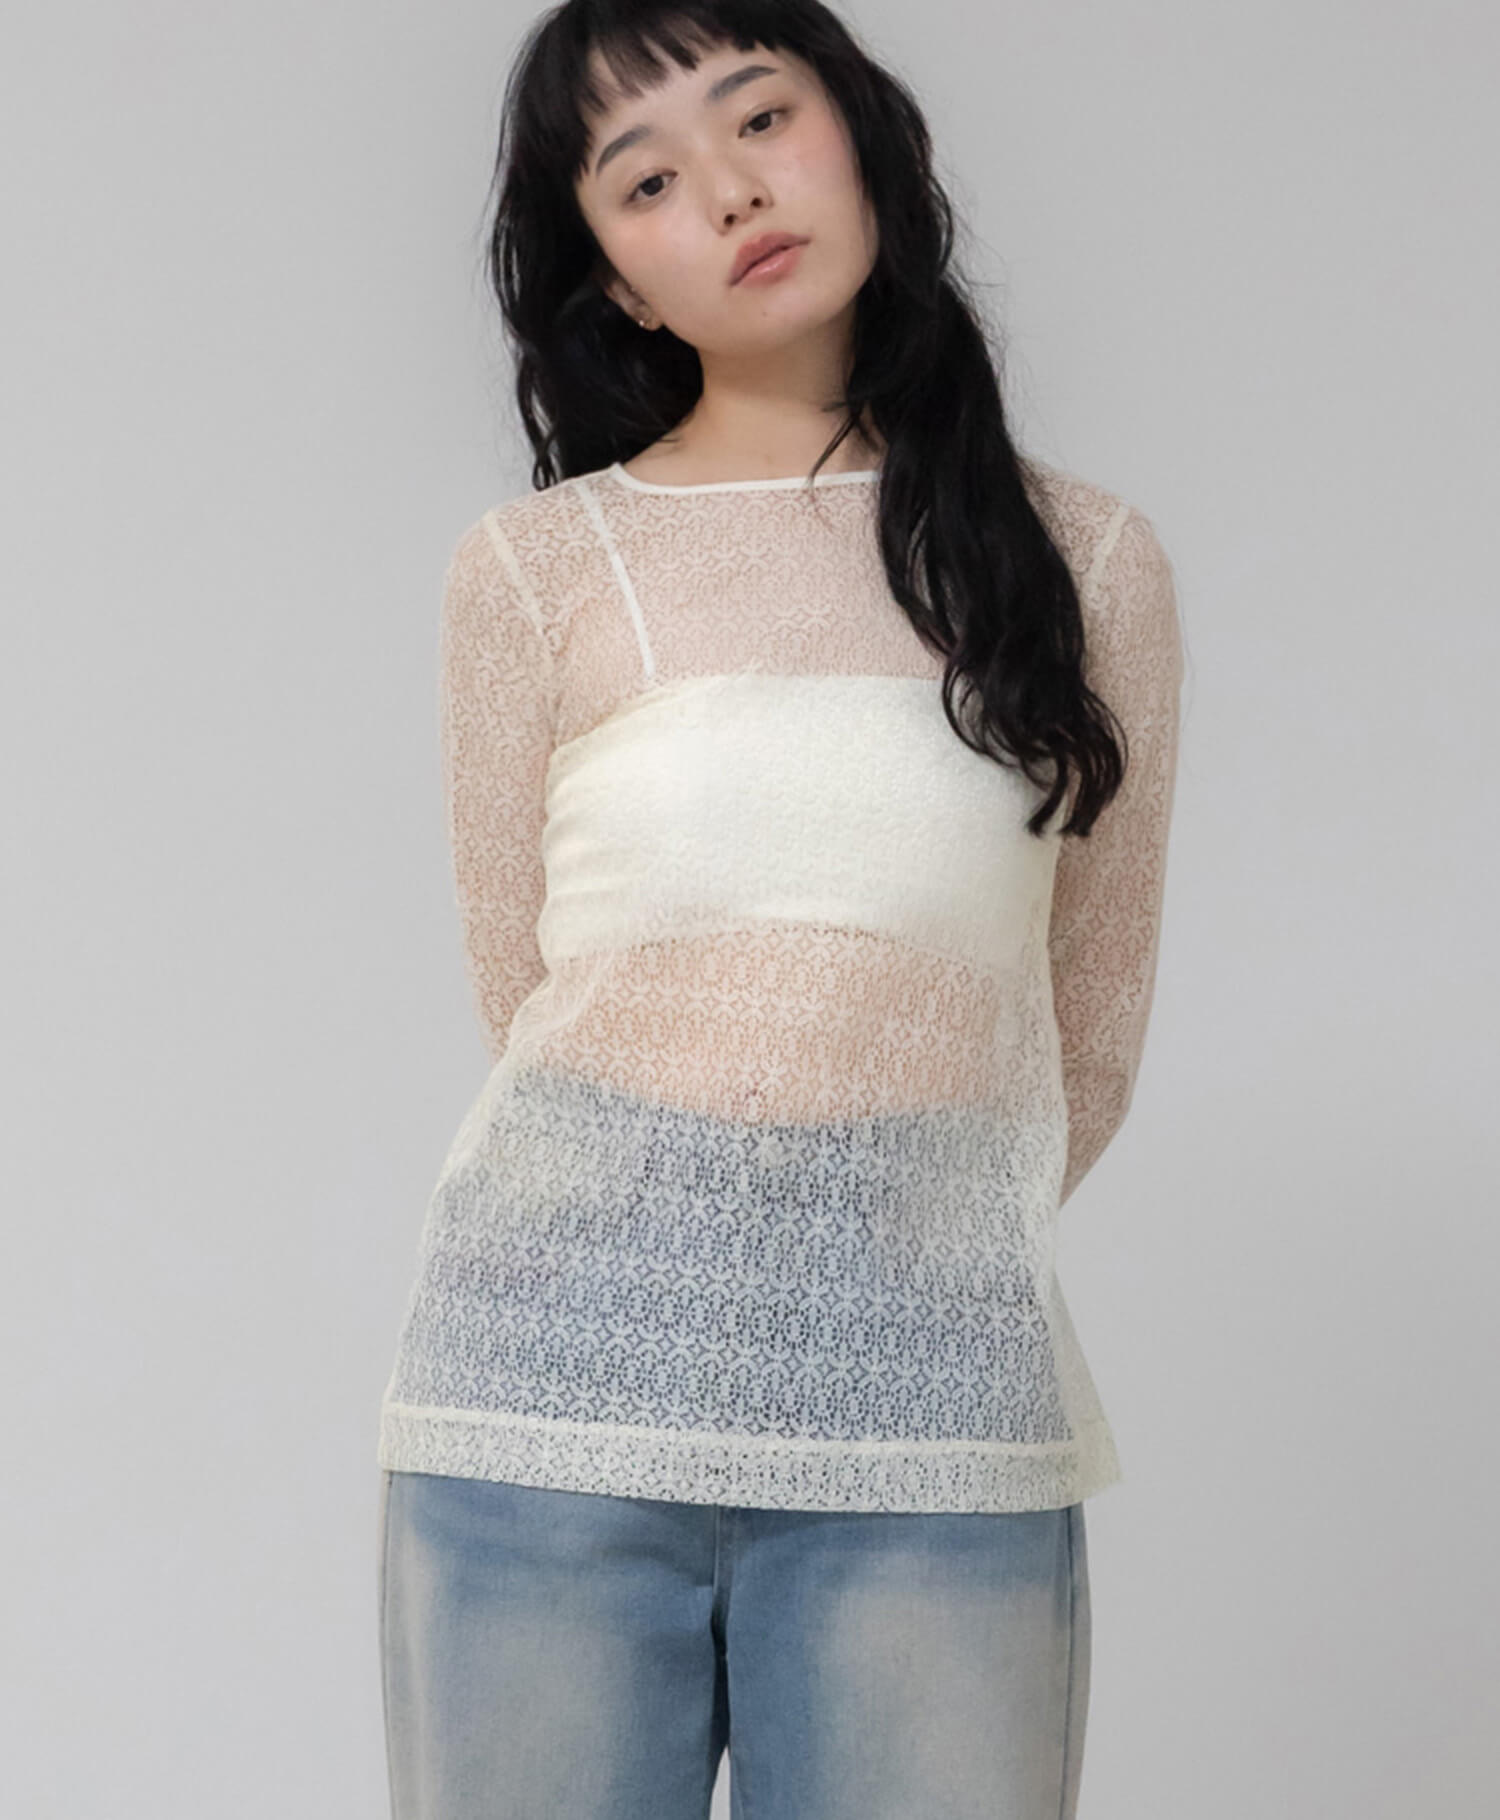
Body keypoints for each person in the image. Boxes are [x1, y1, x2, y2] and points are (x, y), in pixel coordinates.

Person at [375, 4, 1185, 1816]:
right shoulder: (537, 571)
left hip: (934, 1401)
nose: (730, 190)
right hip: (552, 1390)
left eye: (759, 118)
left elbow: (1087, 1038)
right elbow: (527, 998)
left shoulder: (1084, 563)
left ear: (863, 134)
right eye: (647, 180)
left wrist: (873, 1256)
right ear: (619, 282)